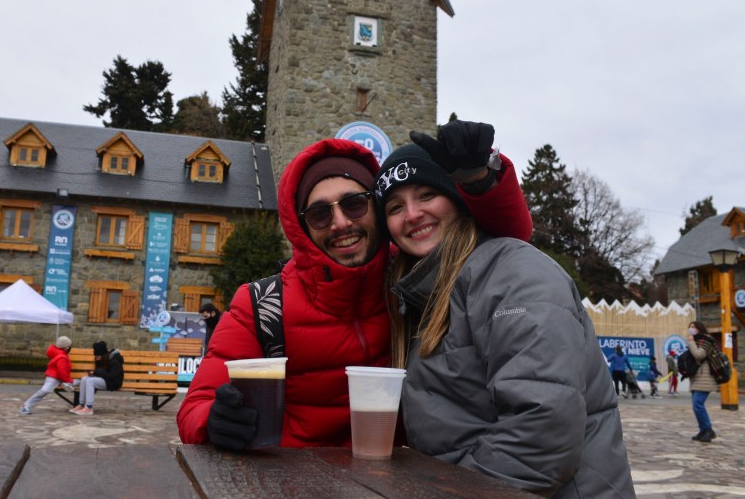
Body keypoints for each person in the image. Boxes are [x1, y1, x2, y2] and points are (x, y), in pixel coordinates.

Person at [177, 120, 533, 449]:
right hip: (295, 483)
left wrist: (481, 181)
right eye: (319, 213)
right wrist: (215, 421)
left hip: (398, 482)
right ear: (301, 227)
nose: (339, 223)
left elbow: (505, 249)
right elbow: (195, 406)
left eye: (354, 204)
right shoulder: (262, 304)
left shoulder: (413, 277)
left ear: (377, 209)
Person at [374, 140, 635, 497]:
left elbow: (541, 432)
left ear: (456, 197)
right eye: (394, 207)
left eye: (426, 194)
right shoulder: (419, 297)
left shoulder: (515, 273)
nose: (412, 214)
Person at [20, 336, 75, 415]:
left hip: (56, 377)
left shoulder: (57, 353)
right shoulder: (62, 357)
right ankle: (26, 405)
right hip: (55, 378)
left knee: (45, 390)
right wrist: (67, 381)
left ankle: (27, 405)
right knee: (44, 390)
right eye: (68, 346)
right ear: (66, 347)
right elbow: (62, 371)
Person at [69, 341, 123, 416]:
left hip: (114, 382)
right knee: (84, 379)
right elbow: (101, 372)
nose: (97, 359)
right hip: (105, 380)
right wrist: (94, 373)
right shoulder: (101, 359)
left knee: (90, 381)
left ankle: (89, 407)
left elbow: (113, 376)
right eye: (96, 356)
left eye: (98, 356)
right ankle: (81, 404)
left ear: (103, 354)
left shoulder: (115, 360)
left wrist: (98, 372)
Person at [686, 321, 718, 442]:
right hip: (697, 378)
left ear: (700, 328)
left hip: (705, 378)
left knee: (698, 404)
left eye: (693, 327)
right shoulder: (697, 340)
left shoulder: (707, 340)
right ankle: (703, 430)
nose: (691, 329)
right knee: (696, 406)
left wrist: (691, 342)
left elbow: (699, 355)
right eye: (689, 327)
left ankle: (709, 430)